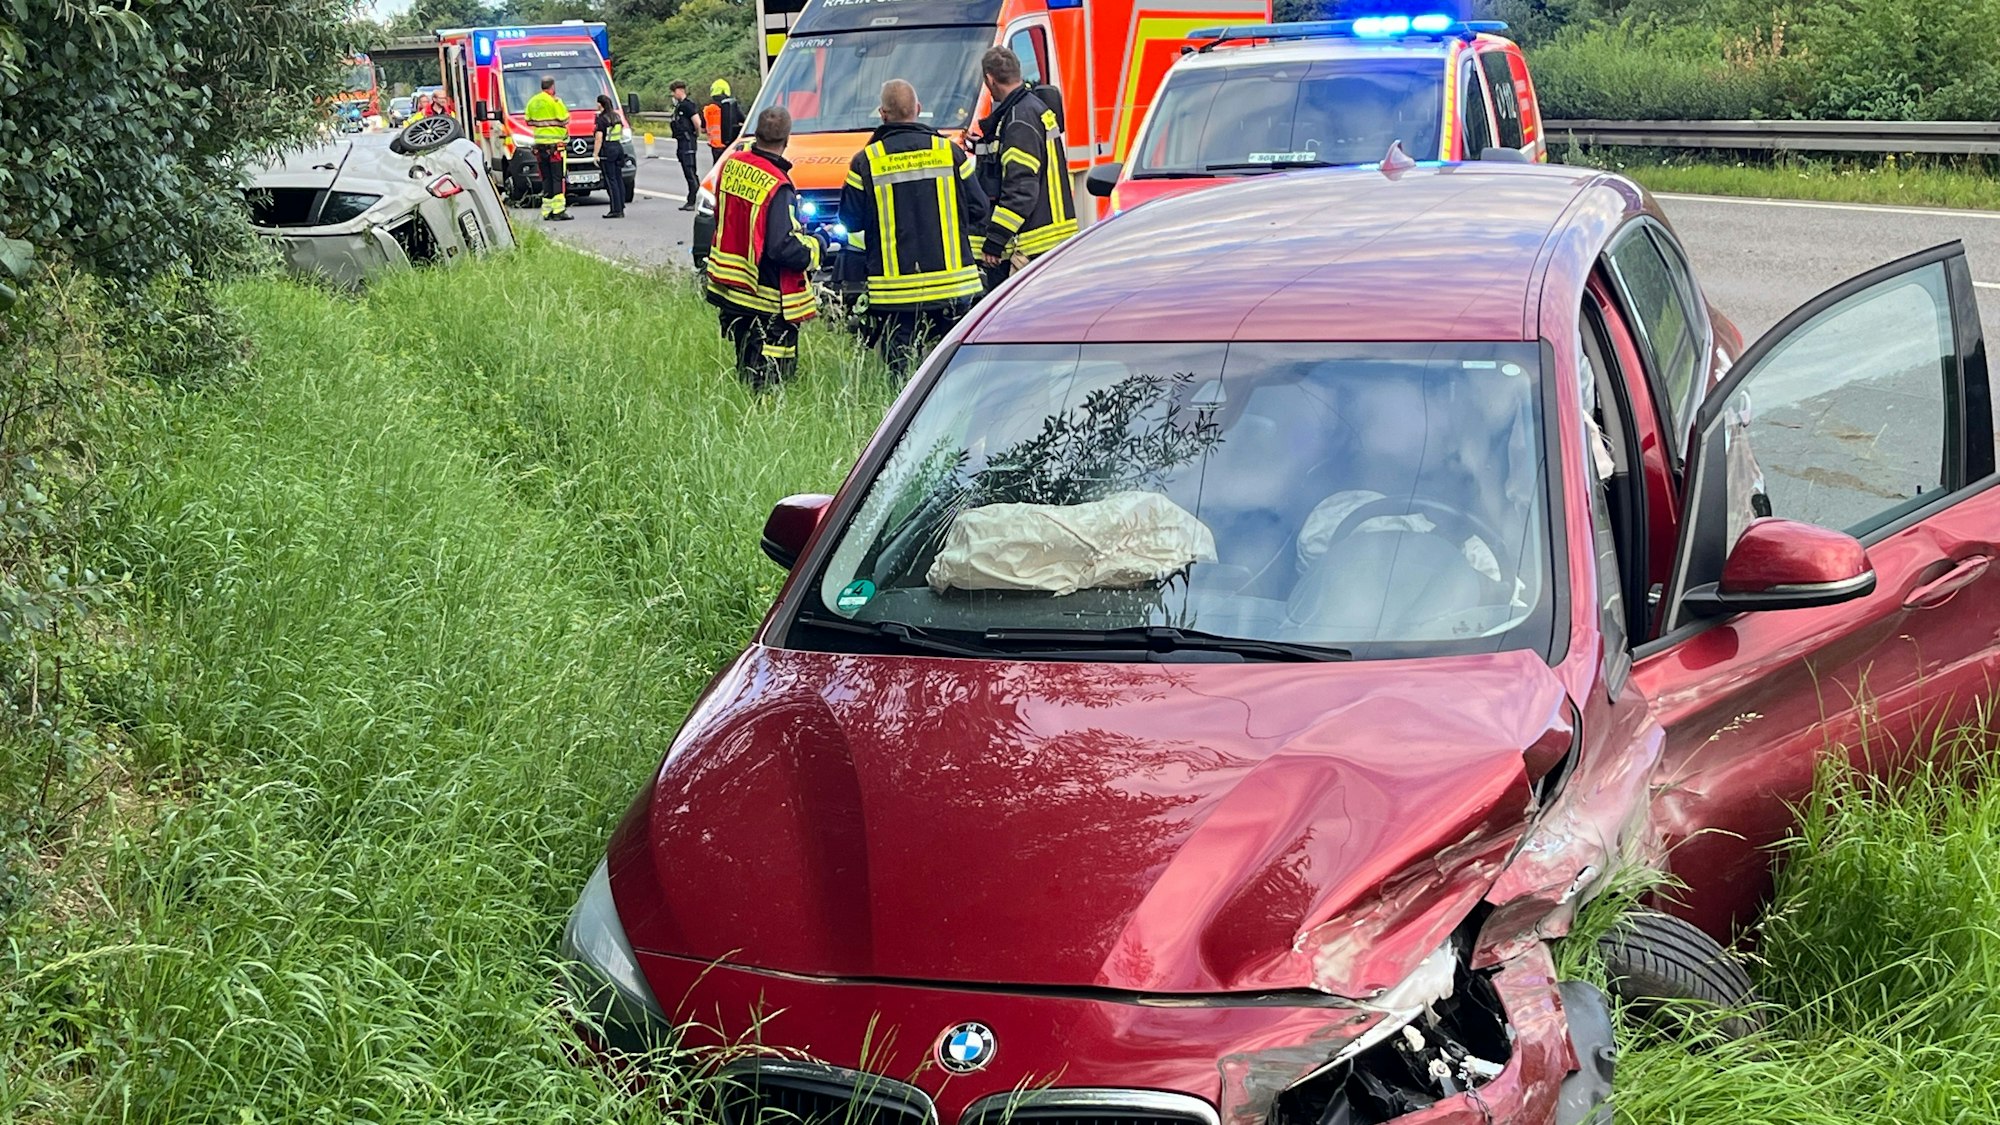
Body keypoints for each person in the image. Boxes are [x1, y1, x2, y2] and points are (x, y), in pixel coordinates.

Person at [839, 79, 989, 371]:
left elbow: (850, 220)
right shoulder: (950, 152)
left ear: (882, 114)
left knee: (901, 374)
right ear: (918, 109)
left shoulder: (866, 161)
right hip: (953, 286)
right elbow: (979, 208)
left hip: (895, 293)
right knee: (952, 370)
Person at [706, 107, 824, 389]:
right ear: (787, 139)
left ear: (756, 134)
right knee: (770, 380)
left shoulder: (732, 165)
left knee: (745, 364)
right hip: (765, 295)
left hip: (732, 288)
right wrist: (818, 244)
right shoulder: (778, 185)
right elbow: (782, 247)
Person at [972, 46, 1076, 285]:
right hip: (1049, 239)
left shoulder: (1018, 121)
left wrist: (996, 239)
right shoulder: (1031, 108)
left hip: (1032, 245)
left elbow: (1021, 189)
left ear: (990, 79)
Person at [525, 75, 573, 221]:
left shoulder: (532, 101)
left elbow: (528, 120)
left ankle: (547, 211)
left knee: (546, 178)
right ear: (552, 87)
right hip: (555, 148)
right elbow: (565, 119)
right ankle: (558, 211)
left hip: (540, 147)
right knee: (557, 178)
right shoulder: (555, 101)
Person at [593, 94, 628, 219]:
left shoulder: (602, 119)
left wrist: (595, 154)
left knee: (610, 180)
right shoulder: (616, 116)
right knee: (618, 179)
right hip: (618, 148)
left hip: (608, 150)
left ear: (600, 104)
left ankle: (615, 209)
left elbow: (599, 138)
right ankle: (621, 205)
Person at [669, 80, 702, 210]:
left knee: (690, 171)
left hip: (687, 142)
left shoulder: (687, 105)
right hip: (682, 141)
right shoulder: (680, 106)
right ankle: (693, 197)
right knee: (688, 170)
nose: (673, 95)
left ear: (679, 90)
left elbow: (697, 122)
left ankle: (693, 200)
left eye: (673, 92)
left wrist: (696, 134)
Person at [704, 78, 745, 166]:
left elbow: (703, 126)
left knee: (717, 169)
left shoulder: (708, 109)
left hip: (715, 146)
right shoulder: (732, 107)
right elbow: (744, 120)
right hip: (729, 145)